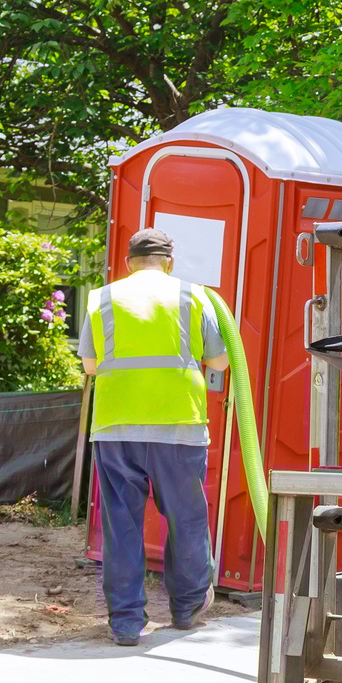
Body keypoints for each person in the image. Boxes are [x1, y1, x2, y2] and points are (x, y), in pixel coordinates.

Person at [79, 228, 230, 646]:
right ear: (170, 261)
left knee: (121, 524)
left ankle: (126, 623)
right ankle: (187, 608)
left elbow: (91, 366)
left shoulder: (102, 297)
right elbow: (218, 359)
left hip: (116, 427)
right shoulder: (195, 296)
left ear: (127, 263)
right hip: (178, 425)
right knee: (185, 519)